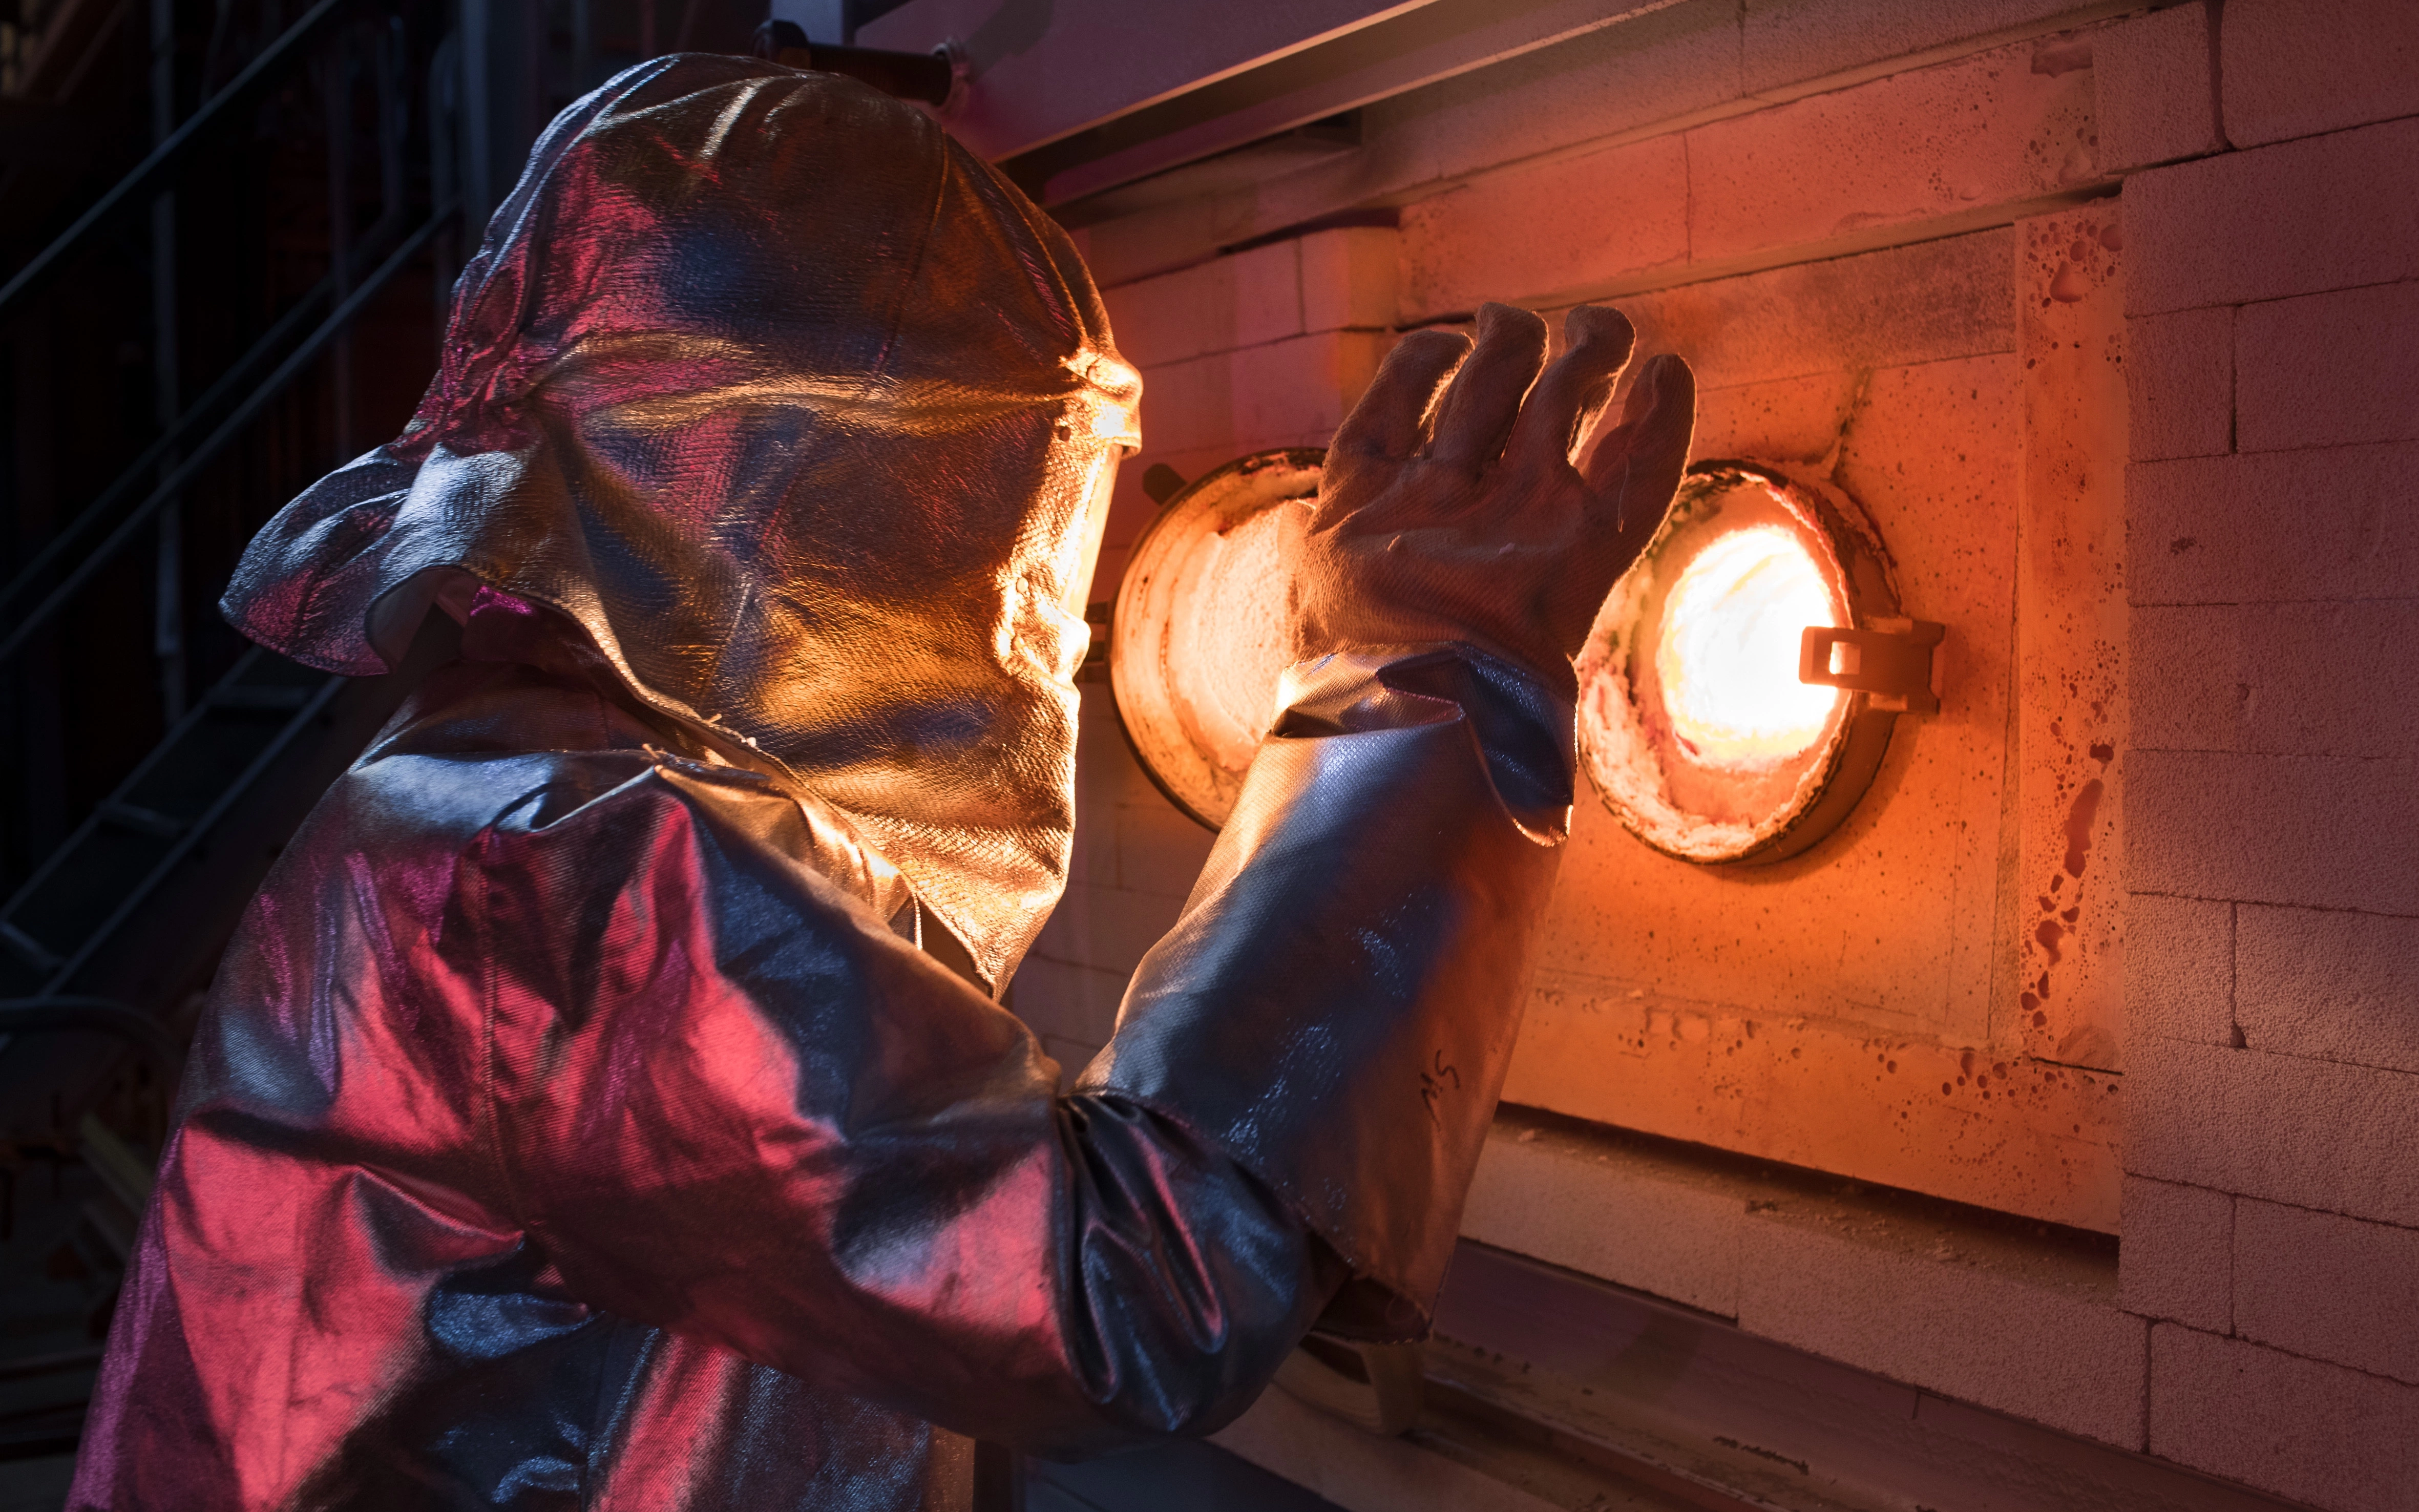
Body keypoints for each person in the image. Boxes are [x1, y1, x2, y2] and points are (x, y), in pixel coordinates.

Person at [67, 53, 1692, 1511]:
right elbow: (1124, 1298)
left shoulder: (506, 790)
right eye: (986, 510)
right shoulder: (570, 868)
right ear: (826, 480)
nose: (1022, 610)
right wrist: (1424, 678)